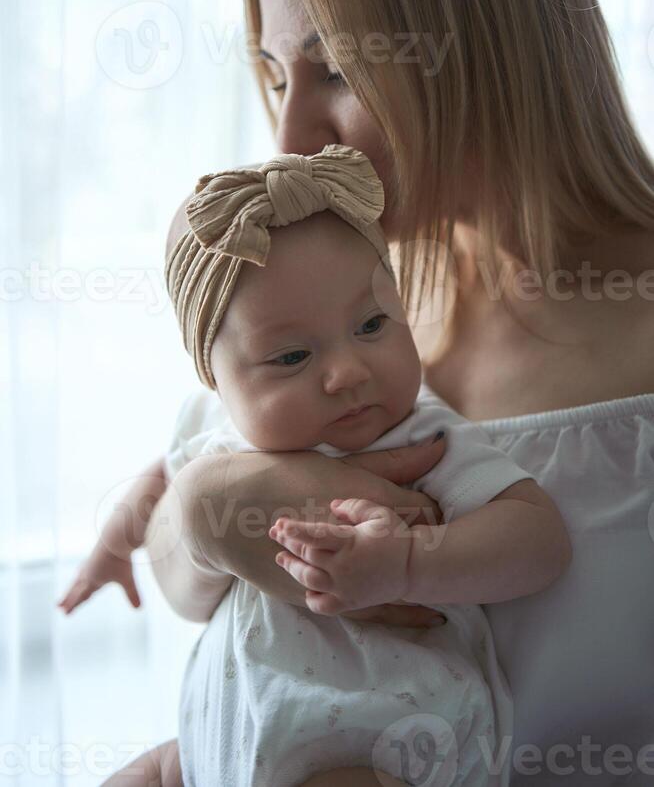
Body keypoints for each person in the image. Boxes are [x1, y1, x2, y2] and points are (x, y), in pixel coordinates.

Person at [148, 0, 654, 784]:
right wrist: (212, 505)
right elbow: (184, 571)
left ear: (485, 42)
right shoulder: (338, 303)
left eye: (334, 69)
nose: (291, 139)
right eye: (273, 72)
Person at [60, 145, 571, 785]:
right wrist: (113, 544)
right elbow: (161, 477)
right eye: (292, 358)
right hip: (212, 747)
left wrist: (413, 562)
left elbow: (539, 539)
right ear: (215, 381)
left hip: (372, 740)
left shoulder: (421, 436)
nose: (346, 372)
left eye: (372, 324)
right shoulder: (214, 431)